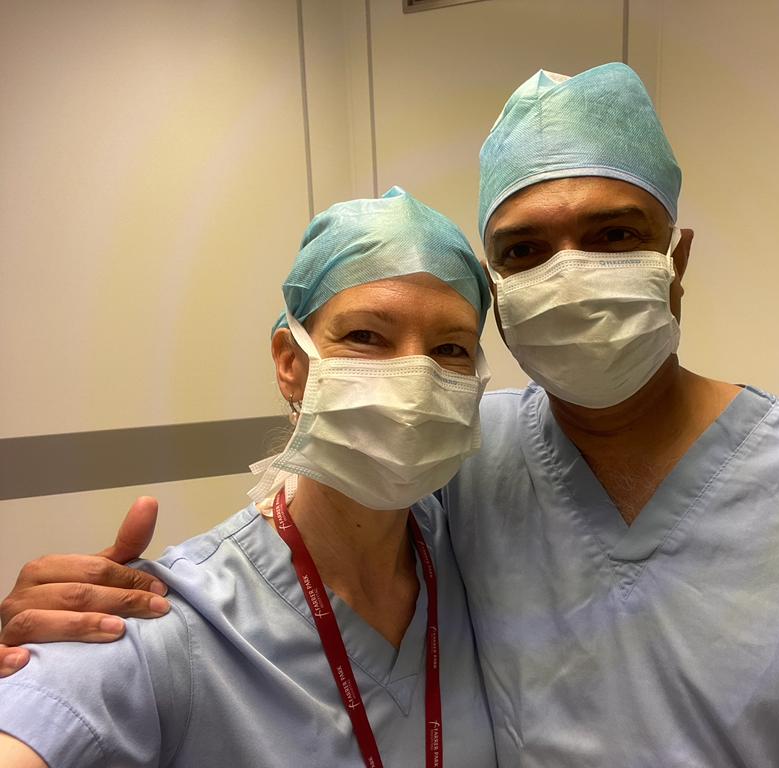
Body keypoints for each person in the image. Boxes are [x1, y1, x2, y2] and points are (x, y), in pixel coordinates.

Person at [1, 64, 779, 767]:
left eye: (611, 235)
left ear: (674, 260)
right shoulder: (460, 466)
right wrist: (54, 622)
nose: (569, 273)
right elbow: (293, 563)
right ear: (502, 290)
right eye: (521, 251)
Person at [0, 187, 497, 767]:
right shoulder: (174, 620)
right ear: (290, 362)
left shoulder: (472, 555)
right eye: (365, 336)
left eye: (450, 347)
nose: (415, 378)